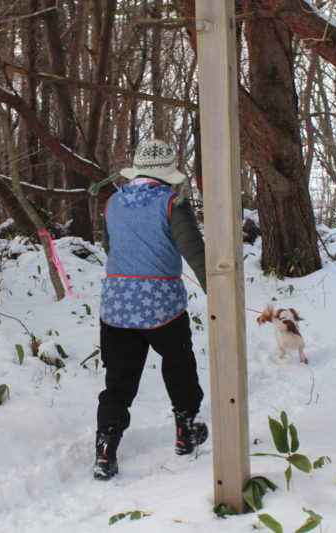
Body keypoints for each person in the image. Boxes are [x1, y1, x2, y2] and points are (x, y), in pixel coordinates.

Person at [93, 138, 208, 481]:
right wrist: (217, 291)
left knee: (118, 381)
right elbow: (196, 253)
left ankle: (105, 451)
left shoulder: (113, 202)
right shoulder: (173, 204)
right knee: (179, 364)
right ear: (167, 174)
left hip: (117, 306)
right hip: (162, 307)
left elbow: (110, 247)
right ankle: (186, 430)